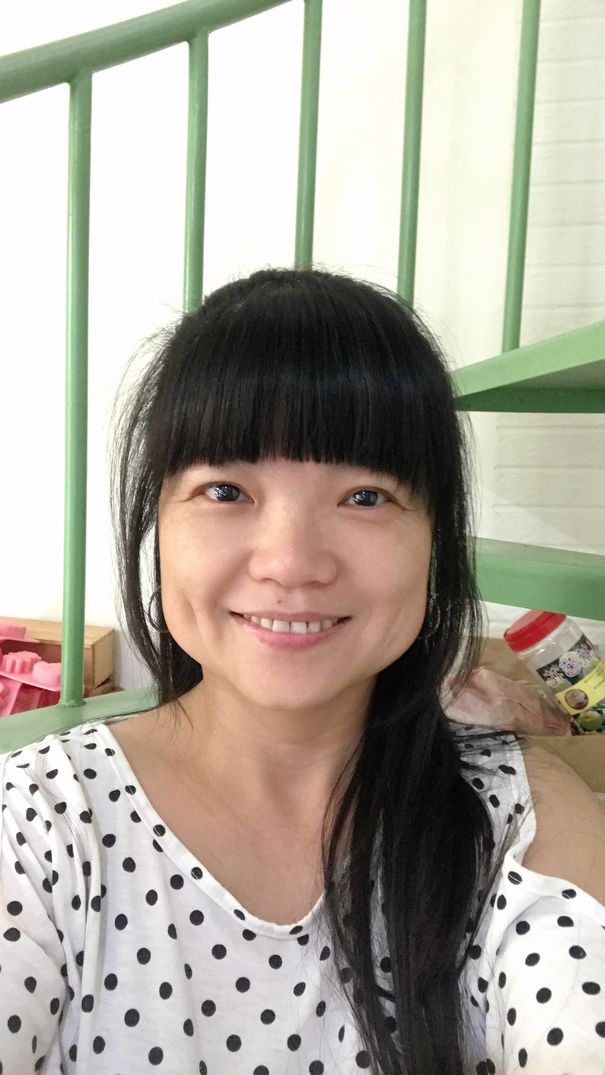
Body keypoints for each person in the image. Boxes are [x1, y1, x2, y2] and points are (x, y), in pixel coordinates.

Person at [1, 267, 604, 1075]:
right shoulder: (39, 824)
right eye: (225, 489)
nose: (289, 562)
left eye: (365, 496)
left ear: (434, 536)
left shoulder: (514, 817)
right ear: (157, 522)